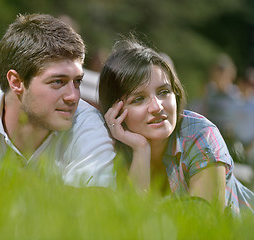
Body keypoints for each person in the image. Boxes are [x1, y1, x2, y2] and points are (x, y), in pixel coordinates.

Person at [0, 13, 116, 188]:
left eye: (77, 81)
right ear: (16, 82)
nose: (74, 96)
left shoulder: (89, 122)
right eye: (58, 81)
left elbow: (94, 207)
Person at [98, 36, 254, 214]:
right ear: (115, 111)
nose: (157, 107)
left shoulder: (200, 134)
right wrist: (141, 150)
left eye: (164, 92)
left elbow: (204, 225)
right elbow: (131, 222)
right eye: (138, 99)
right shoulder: (108, 147)